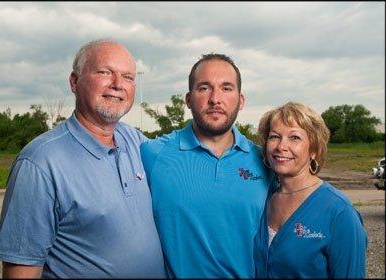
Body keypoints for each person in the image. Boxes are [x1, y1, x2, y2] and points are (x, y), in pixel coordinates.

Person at [0, 39, 166, 278]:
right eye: (105, 72)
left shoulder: (136, 141)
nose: (117, 84)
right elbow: (21, 272)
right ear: (74, 81)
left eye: (128, 77)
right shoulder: (39, 163)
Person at [140, 53, 275, 278]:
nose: (215, 99)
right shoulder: (152, 154)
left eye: (226, 88)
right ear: (188, 99)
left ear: (241, 100)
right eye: (204, 88)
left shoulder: (264, 162)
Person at [254, 101, 367, 278]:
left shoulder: (340, 212)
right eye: (274, 136)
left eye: (295, 137)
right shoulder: (261, 199)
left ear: (313, 149)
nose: (281, 146)